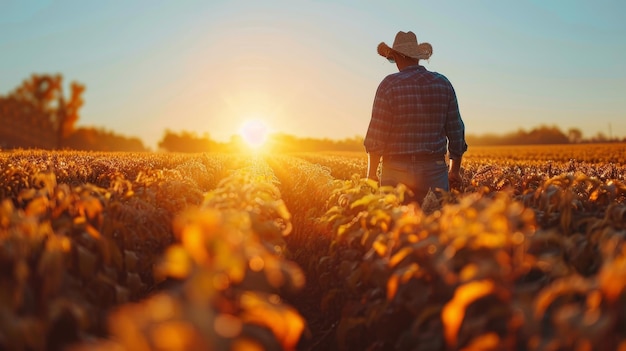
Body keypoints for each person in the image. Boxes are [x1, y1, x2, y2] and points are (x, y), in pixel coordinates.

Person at [364, 31, 467, 205]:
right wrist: (454, 171)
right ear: (417, 57)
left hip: (396, 171)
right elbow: (456, 131)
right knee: (434, 226)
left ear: (396, 57)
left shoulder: (388, 85)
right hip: (434, 171)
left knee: (397, 227)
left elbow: (377, 134)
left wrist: (371, 173)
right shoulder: (443, 83)